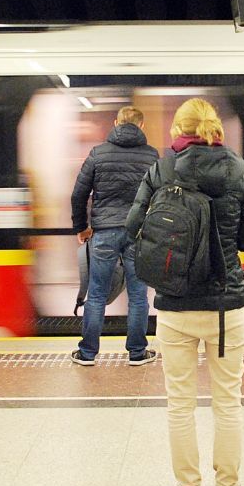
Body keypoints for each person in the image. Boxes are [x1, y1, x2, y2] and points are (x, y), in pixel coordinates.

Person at [125, 98, 244, 486]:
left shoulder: (162, 170)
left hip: (175, 304)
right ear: (216, 130)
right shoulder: (236, 170)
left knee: (180, 403)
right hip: (226, 307)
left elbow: (133, 228)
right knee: (228, 403)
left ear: (178, 131)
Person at [69, 106, 159, 366]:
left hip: (104, 232)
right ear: (141, 127)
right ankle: (137, 352)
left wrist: (81, 227)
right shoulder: (152, 156)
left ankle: (87, 353)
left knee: (96, 293)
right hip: (139, 232)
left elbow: (78, 194)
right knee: (138, 294)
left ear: (116, 123)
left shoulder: (98, 154)